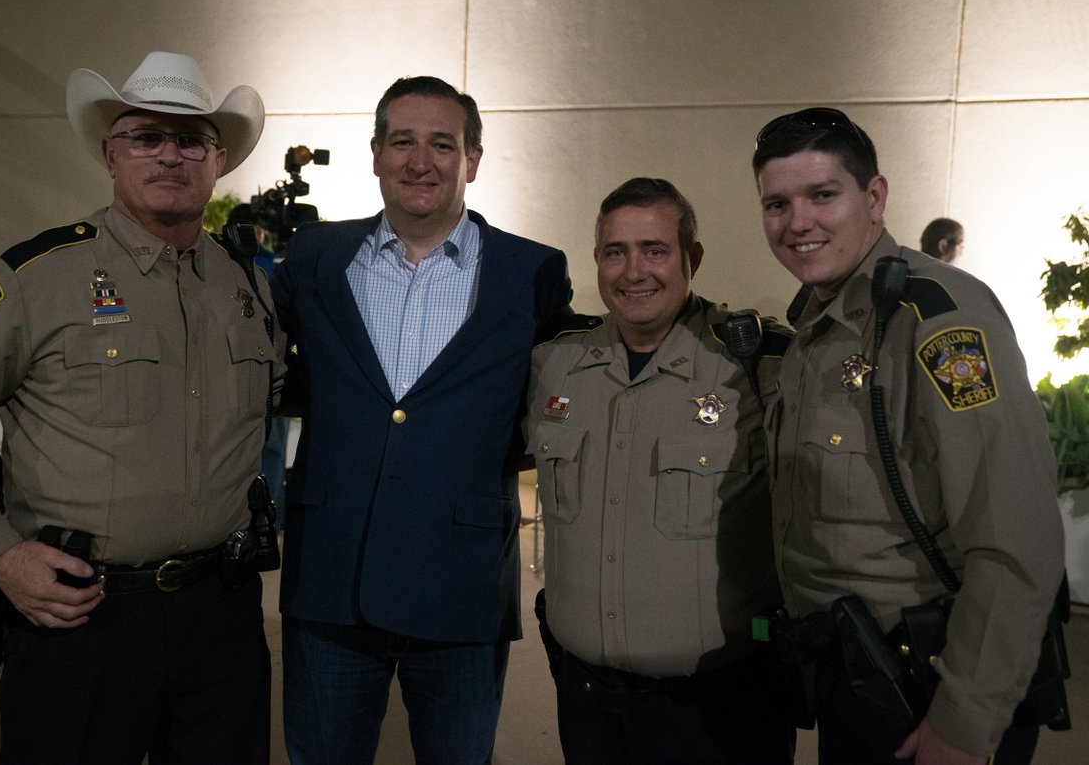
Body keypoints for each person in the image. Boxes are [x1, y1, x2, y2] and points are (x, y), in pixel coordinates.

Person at [0, 51, 282, 764]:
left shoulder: (245, 286)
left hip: (220, 617)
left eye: (191, 139)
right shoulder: (37, 278)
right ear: (110, 154)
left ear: (218, 160)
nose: (170, 155)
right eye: (146, 137)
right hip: (80, 616)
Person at [270, 75, 573, 765]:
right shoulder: (314, 258)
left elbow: (557, 394)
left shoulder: (530, 272)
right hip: (331, 579)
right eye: (402, 141)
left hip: (463, 586)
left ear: (473, 159)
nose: (420, 161)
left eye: (442, 144)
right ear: (376, 153)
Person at [752, 107, 1065, 765]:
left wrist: (965, 723)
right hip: (857, 676)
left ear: (875, 197)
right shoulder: (819, 324)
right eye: (777, 203)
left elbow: (1016, 540)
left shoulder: (940, 320)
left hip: (932, 689)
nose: (797, 222)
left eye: (822, 195)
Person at [526, 177, 796, 764]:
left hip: (720, 711)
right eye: (614, 252)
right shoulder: (554, 363)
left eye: (654, 250)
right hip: (586, 704)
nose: (633, 272)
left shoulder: (757, 366)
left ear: (691, 257)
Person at [229, 201, 291, 529]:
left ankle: (266, 519)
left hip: (268, 366)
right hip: (247, 368)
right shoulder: (225, 262)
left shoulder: (272, 261)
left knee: (273, 448)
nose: (259, 232)